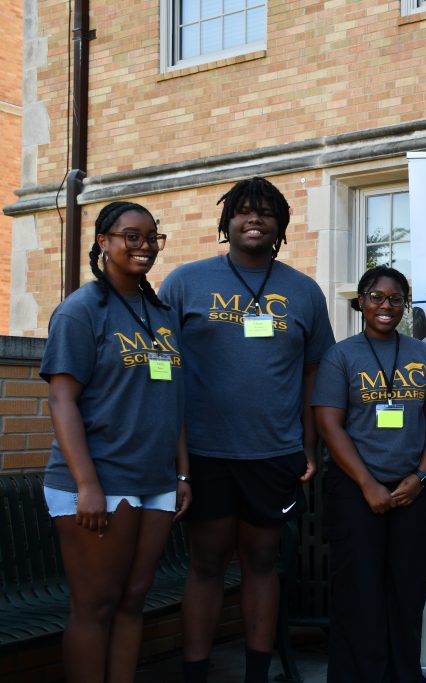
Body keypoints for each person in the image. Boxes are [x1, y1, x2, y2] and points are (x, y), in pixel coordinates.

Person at [161, 177, 335, 683]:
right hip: (204, 453)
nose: (254, 218)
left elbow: (314, 372)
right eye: (242, 211)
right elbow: (162, 366)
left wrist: (309, 444)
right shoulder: (185, 282)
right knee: (206, 564)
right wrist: (176, 456)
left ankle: (256, 675)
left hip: (273, 453)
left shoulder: (303, 291)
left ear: (281, 224)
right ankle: (196, 675)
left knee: (261, 562)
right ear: (227, 221)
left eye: (266, 212)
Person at [41, 201, 188, 683]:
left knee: (133, 600)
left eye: (152, 237)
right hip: (100, 479)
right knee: (96, 605)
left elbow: (173, 399)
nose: (144, 246)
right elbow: (62, 400)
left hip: (156, 481)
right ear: (103, 242)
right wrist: (87, 484)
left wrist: (181, 473)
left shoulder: (161, 314)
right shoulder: (80, 311)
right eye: (132, 236)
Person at [313, 266, 426, 683]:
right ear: (361, 302)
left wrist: (420, 476)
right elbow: (328, 424)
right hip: (355, 489)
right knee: (359, 591)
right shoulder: (340, 356)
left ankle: (404, 675)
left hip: (413, 489)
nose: (386, 306)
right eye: (376, 297)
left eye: (395, 298)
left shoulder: (422, 354)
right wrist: (367, 483)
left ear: (405, 305)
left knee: (408, 590)